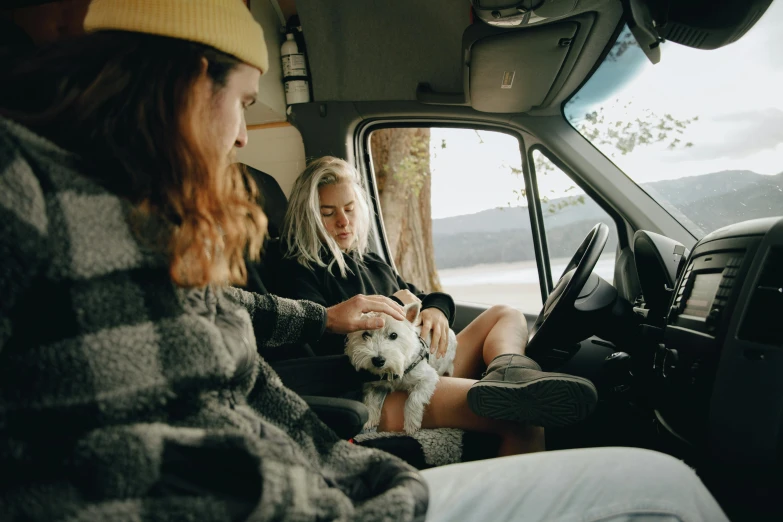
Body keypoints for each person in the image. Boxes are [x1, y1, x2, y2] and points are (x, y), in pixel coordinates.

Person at [0, 1, 729, 521]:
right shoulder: (23, 186)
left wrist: (369, 317)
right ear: (194, 80)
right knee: (660, 488)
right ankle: (503, 394)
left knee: (506, 329)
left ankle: (511, 377)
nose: (246, 137)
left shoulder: (152, 221)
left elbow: (225, 310)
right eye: (247, 101)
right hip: (311, 466)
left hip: (324, 479)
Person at [277, 156, 597, 455]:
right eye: (328, 213)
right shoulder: (298, 270)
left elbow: (422, 296)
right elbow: (313, 347)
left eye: (349, 209)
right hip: (377, 385)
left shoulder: (371, 263)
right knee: (521, 416)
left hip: (422, 360)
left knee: (505, 314)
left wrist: (435, 311)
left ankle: (511, 373)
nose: (343, 222)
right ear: (309, 215)